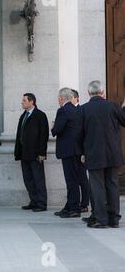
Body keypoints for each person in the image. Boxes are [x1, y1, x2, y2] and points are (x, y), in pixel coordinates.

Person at [80, 80, 125, 228]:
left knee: (97, 186)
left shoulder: (84, 109)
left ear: (88, 93)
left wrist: (82, 152)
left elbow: (80, 134)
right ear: (103, 92)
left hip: (94, 153)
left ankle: (101, 219)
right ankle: (114, 219)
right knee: (112, 185)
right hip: (113, 153)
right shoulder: (113, 106)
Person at [51, 88, 83, 218]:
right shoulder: (77, 110)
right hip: (77, 150)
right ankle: (70, 206)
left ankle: (74, 208)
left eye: (58, 98)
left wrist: (53, 126)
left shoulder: (63, 110)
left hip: (68, 151)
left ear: (61, 98)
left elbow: (57, 129)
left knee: (71, 181)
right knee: (74, 180)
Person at [14, 93, 49, 212]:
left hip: (35, 154)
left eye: (24, 100)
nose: (22, 102)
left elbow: (44, 135)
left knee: (38, 179)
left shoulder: (40, 115)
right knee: (28, 179)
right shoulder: (23, 115)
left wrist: (42, 153)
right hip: (24, 153)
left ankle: (42, 203)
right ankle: (34, 201)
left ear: (31, 101)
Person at [71, 89, 90, 212]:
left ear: (77, 98)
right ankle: (75, 202)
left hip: (81, 151)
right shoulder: (67, 110)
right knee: (74, 178)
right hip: (72, 150)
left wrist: (83, 151)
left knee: (82, 178)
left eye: (71, 97)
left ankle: (84, 203)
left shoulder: (81, 109)